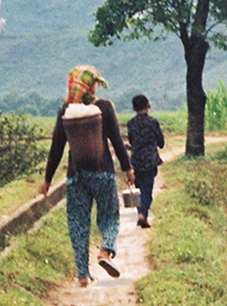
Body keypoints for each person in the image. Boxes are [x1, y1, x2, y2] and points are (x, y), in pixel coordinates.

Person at [40, 65, 134, 287]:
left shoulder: (65, 111)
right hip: (103, 174)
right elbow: (117, 141)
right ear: (91, 86)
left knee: (78, 222)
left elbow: (56, 148)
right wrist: (127, 167)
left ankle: (82, 274)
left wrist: (47, 179)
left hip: (76, 176)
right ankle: (105, 252)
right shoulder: (105, 107)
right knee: (109, 215)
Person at [126, 94, 165, 228]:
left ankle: (141, 214)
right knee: (147, 190)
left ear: (133, 108)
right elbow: (161, 142)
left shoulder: (131, 123)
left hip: (136, 161)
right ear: (148, 106)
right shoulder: (153, 122)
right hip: (150, 161)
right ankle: (143, 214)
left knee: (139, 189)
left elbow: (131, 140)